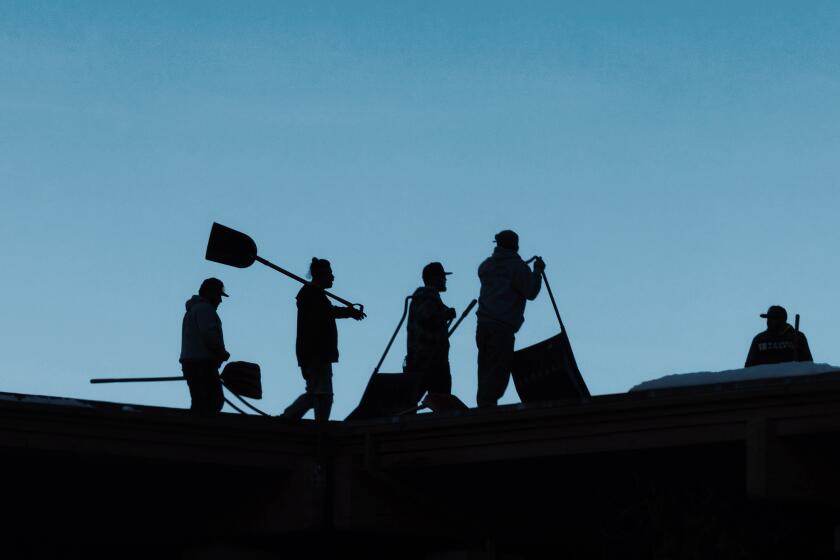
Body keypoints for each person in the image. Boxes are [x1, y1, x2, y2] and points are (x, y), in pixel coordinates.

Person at [282, 258, 365, 423]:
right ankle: (299, 421)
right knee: (321, 394)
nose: (333, 277)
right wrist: (349, 312)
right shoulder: (311, 295)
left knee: (318, 393)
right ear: (321, 274)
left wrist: (349, 312)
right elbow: (326, 312)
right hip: (316, 353)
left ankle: (293, 419)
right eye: (330, 274)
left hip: (316, 353)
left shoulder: (313, 295)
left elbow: (327, 311)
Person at [475, 230, 545, 407]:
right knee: (498, 373)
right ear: (516, 245)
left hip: (483, 326)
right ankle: (487, 412)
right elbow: (530, 292)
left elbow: (484, 272)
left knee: (485, 371)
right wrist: (537, 272)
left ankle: (483, 408)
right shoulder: (517, 267)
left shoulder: (487, 266)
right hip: (502, 328)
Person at [406, 262, 457, 402]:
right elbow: (429, 318)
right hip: (432, 360)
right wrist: (446, 315)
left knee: (411, 401)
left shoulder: (420, 297)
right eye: (442, 276)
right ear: (434, 278)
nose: (445, 280)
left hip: (418, 359)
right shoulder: (428, 295)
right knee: (442, 401)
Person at [179, 278, 231, 415]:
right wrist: (221, 352)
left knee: (200, 403)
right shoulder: (205, 309)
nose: (220, 300)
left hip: (191, 363)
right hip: (203, 364)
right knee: (214, 402)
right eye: (219, 296)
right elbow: (209, 335)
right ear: (211, 293)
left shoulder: (193, 310)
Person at [745, 305, 813, 367]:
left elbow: (808, 365)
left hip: (792, 378)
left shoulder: (798, 337)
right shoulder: (759, 339)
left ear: (782, 320)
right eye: (768, 319)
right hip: (766, 379)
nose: (769, 321)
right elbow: (749, 367)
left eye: (773, 319)